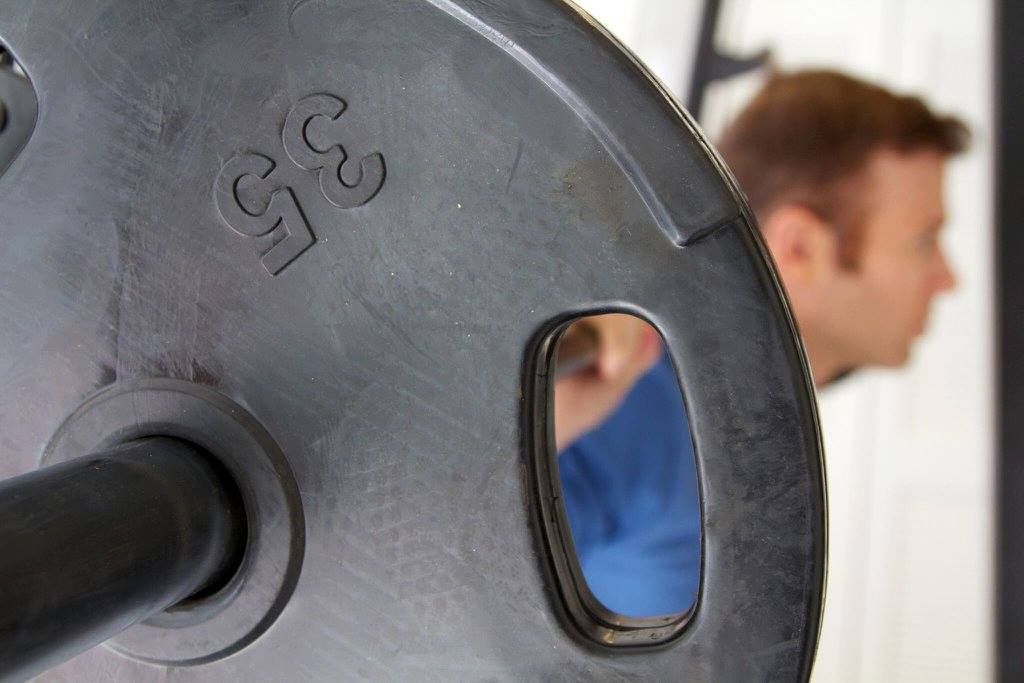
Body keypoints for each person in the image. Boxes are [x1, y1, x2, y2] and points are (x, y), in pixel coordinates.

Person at [555, 69, 969, 617]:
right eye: (924, 240)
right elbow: (426, 575)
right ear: (800, 248)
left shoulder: (751, 423)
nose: (947, 278)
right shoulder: (625, 400)